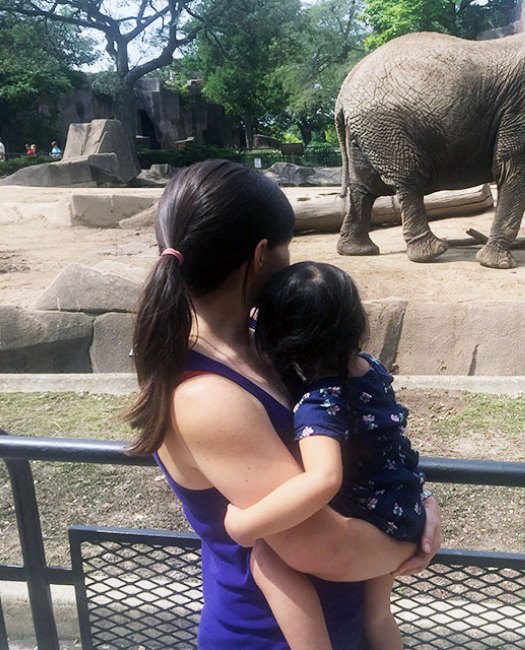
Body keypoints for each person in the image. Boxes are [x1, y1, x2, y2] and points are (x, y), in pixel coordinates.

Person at [124, 159, 441, 649]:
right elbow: (326, 549)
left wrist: (419, 501)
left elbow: (367, 431)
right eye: (287, 246)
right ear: (259, 255)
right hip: (268, 637)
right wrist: (408, 539)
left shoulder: (270, 342)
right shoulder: (206, 396)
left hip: (344, 621)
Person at [224, 261, 426, 649]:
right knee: (379, 616)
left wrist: (244, 526)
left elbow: (324, 478)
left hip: (373, 520)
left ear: (285, 339)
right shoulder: (372, 370)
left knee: (266, 559)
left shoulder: (319, 404)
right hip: (403, 506)